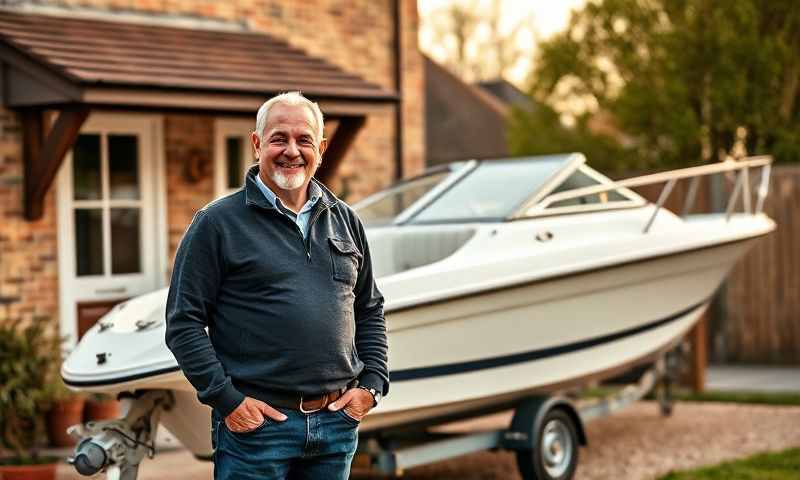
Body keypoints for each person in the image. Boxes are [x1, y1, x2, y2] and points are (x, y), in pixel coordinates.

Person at [165, 91, 389, 480]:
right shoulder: (217, 224)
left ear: (320, 148)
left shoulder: (346, 220)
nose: (291, 150)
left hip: (335, 425)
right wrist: (228, 401)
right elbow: (183, 323)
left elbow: (368, 308)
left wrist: (372, 385)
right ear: (257, 144)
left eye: (303, 140)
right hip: (257, 429)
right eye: (278, 138)